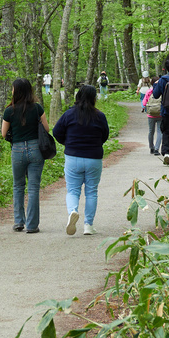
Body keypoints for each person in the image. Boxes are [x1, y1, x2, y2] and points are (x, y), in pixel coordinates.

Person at [52, 85, 109, 236]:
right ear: (94, 98)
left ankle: (72, 211)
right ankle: (88, 225)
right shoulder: (100, 116)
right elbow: (105, 135)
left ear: (78, 96)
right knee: (91, 192)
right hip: (94, 158)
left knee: (72, 190)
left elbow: (56, 132)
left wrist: (68, 143)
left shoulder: (69, 114)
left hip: (73, 157)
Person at [1, 78, 50, 233]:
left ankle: (18, 222)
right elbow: (46, 129)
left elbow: (3, 133)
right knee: (33, 187)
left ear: (16, 91)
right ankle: (32, 225)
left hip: (17, 150)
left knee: (18, 186)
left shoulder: (9, 111)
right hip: (36, 148)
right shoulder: (37, 108)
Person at [142, 86, 162, 154]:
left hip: (151, 115)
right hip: (160, 114)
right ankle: (157, 148)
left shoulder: (149, 91)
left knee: (151, 131)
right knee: (159, 132)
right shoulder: (162, 91)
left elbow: (144, 103)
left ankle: (151, 147)